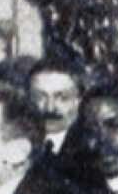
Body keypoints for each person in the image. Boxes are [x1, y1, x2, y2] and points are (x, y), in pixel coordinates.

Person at [25, 55, 91, 183]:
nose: (50, 108)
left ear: (80, 100)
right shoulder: (16, 141)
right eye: (39, 97)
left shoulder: (90, 153)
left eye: (62, 97)